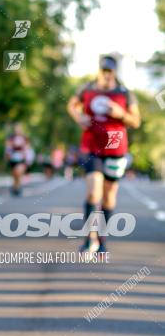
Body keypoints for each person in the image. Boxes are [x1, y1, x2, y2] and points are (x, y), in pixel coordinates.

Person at [66, 54, 141, 258]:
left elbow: (136, 121)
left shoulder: (125, 93)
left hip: (116, 149)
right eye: (104, 71)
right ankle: (88, 239)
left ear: (115, 73)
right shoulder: (87, 88)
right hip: (91, 147)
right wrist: (78, 116)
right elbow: (72, 105)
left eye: (110, 72)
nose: (107, 76)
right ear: (99, 71)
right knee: (93, 192)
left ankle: (101, 239)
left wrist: (121, 114)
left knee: (109, 196)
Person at [4, 123, 30, 195]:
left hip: (21, 159)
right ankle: (15, 187)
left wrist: (26, 156)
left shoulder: (24, 137)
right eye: (16, 128)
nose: (18, 130)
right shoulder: (11, 137)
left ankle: (18, 187)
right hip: (13, 159)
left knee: (18, 172)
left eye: (19, 128)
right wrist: (7, 155)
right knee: (15, 175)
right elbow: (7, 148)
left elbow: (27, 148)